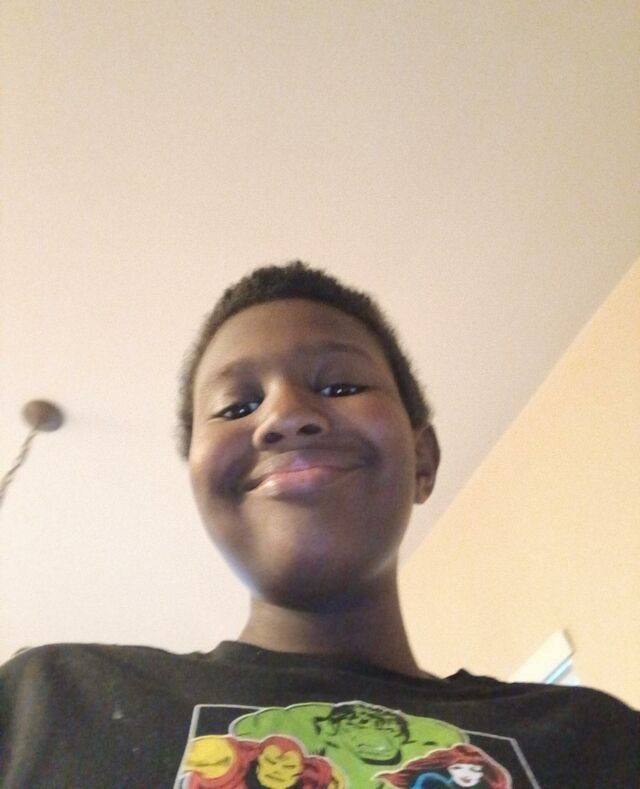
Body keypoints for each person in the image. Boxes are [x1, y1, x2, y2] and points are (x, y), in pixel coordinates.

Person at [0, 261, 637, 787]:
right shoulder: (47, 705)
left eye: (340, 387)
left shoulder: (598, 741)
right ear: (199, 480)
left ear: (423, 460)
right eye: (236, 406)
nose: (283, 415)